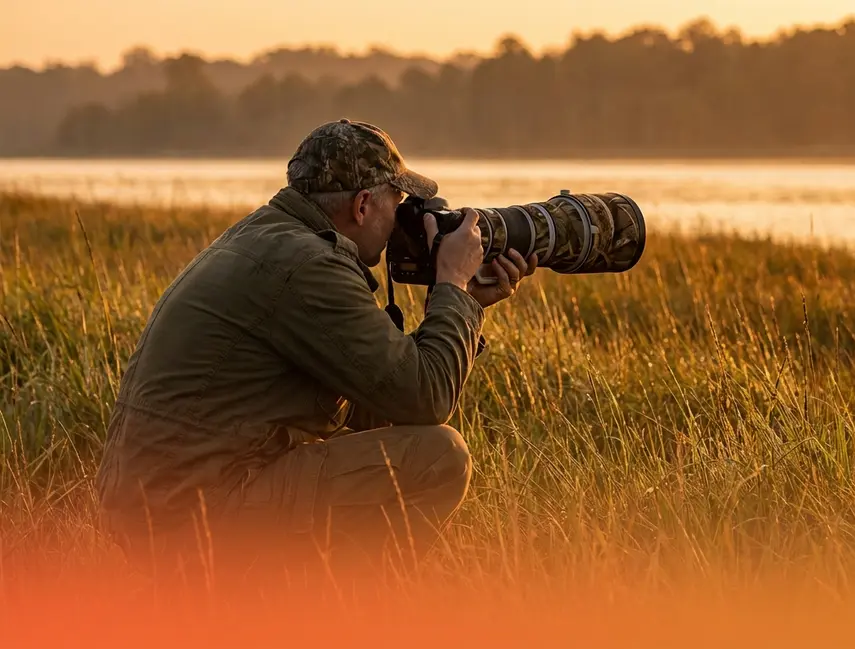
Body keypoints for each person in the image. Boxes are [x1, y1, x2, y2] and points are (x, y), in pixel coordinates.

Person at [94, 118, 537, 588]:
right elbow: (424, 399)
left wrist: (463, 303)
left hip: (162, 503)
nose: (403, 220)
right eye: (399, 202)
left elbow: (378, 407)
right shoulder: (309, 266)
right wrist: (451, 286)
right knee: (438, 456)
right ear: (364, 204)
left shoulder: (270, 238)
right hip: (192, 516)